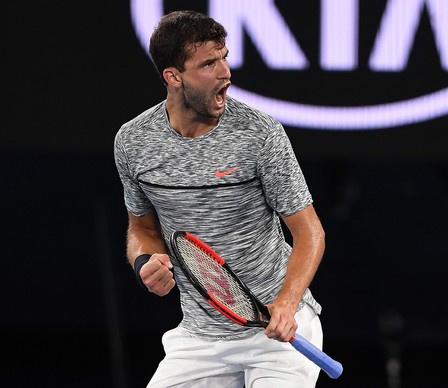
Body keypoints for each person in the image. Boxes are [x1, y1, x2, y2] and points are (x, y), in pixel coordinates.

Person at [113, 9, 327, 388]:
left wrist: (288, 302)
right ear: (173, 76)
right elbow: (142, 227)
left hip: (280, 330)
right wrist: (144, 260)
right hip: (199, 338)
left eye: (224, 56)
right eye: (209, 62)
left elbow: (310, 232)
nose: (225, 71)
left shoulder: (260, 134)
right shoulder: (133, 142)